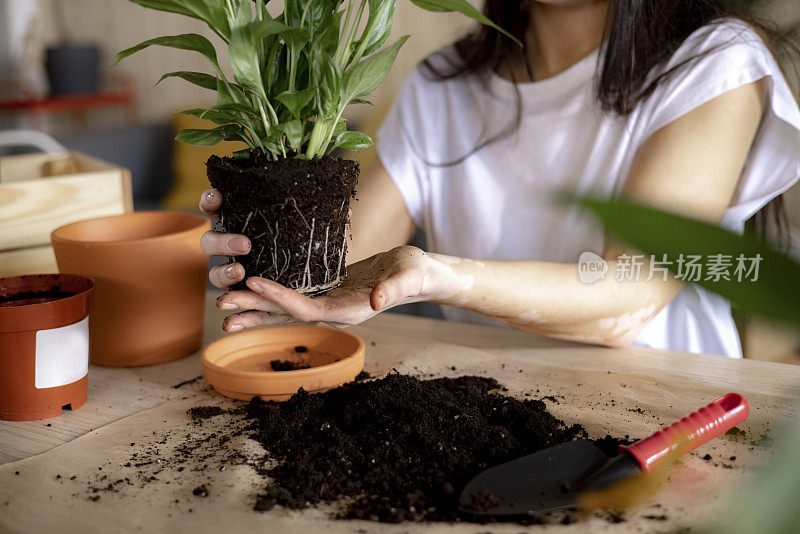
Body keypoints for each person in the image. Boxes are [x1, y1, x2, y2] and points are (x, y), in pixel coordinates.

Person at [199, 0, 800, 358]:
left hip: (673, 418)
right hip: (496, 404)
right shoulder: (444, 85)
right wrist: (262, 242)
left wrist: (441, 276)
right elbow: (339, 267)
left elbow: (627, 297)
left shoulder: (713, 62)